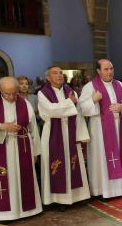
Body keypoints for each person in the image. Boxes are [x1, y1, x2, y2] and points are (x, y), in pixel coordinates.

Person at [0, 77, 42, 221]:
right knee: (4, 180)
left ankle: (27, 210)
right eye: (7, 94)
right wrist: (1, 127)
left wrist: (36, 152)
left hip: (23, 147)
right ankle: (3, 213)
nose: (12, 97)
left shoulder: (25, 103)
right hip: (0, 146)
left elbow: (33, 129)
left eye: (15, 93)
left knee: (24, 178)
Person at [80, 59, 122, 198]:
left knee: (119, 155)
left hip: (118, 128)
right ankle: (102, 191)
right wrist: (93, 100)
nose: (110, 71)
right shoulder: (90, 87)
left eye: (111, 68)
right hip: (100, 130)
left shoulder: (120, 85)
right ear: (98, 71)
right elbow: (81, 108)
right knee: (103, 159)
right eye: (106, 69)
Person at [38, 66, 90, 208]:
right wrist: (69, 103)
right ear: (48, 78)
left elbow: (78, 113)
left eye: (61, 73)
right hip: (53, 135)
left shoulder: (70, 91)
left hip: (71, 133)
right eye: (55, 73)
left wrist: (81, 135)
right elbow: (50, 110)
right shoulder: (43, 93)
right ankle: (58, 200)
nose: (59, 75)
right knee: (57, 165)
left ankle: (78, 196)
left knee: (74, 163)